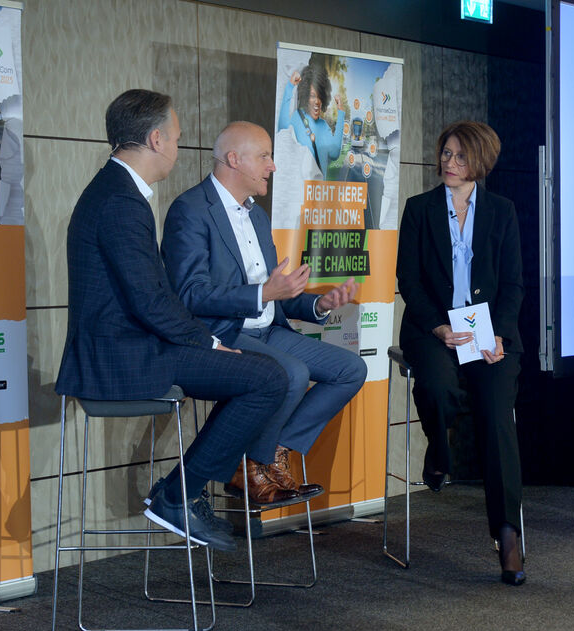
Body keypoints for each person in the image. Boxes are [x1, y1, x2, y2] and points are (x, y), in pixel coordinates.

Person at [55, 90, 288, 552]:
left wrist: (204, 340)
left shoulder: (117, 191)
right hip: (121, 356)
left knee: (264, 373)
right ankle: (179, 495)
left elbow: (155, 296)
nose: (179, 150)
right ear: (156, 140)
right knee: (267, 378)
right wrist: (208, 342)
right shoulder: (120, 201)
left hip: (132, 344)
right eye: (177, 139)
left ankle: (182, 492)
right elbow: (149, 301)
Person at [162, 121, 367, 506]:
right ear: (234, 159)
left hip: (269, 329)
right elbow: (190, 294)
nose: (272, 166)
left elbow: (276, 295)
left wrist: (318, 304)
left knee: (351, 369)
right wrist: (263, 293)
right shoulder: (190, 211)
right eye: (264, 156)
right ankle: (249, 467)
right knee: (293, 373)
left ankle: (269, 452)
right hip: (223, 333)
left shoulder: (257, 216)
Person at [396, 120, 526, 585]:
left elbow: (513, 283)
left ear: (480, 162)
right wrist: (438, 325)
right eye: (446, 153)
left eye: (460, 156)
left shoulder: (502, 211)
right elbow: (408, 279)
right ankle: (438, 445)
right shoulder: (419, 209)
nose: (449, 163)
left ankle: (507, 533)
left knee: (495, 413)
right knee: (436, 387)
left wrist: (500, 335)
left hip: (486, 330)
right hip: (432, 328)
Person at [276, 65, 344, 177]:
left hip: (319, 187)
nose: (317, 101)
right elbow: (282, 131)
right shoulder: (297, 117)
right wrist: (290, 86)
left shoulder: (324, 125)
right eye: (312, 96)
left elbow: (334, 153)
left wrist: (341, 112)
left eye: (320, 96)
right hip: (300, 186)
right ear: (306, 96)